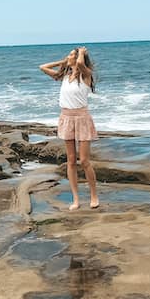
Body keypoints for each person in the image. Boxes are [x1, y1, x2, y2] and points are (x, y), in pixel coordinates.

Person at [39, 46, 99, 210]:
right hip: (66, 118)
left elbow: (80, 63)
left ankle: (94, 196)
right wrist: (63, 61)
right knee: (71, 161)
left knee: (85, 160)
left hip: (82, 118)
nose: (69, 56)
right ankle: (76, 199)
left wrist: (80, 53)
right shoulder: (64, 76)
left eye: (72, 54)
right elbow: (42, 67)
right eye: (70, 54)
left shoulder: (86, 75)